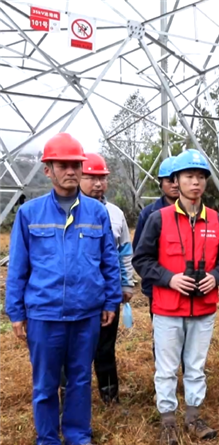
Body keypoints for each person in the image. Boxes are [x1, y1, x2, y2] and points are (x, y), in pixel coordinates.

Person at [5, 132, 122, 445]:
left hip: (86, 314)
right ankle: (47, 438)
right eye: (63, 165)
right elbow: (18, 267)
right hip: (44, 314)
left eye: (76, 165)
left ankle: (78, 435)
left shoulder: (97, 213)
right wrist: (15, 312)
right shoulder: (29, 214)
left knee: (80, 380)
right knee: (45, 383)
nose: (71, 170)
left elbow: (109, 261)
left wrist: (111, 301)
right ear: (48, 170)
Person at [132, 149, 219, 444]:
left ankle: (193, 417)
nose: (196, 182)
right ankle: (168, 421)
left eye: (201, 177)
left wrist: (216, 277)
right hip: (167, 308)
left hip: (203, 309)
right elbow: (141, 259)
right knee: (166, 369)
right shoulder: (158, 218)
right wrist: (170, 278)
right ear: (176, 181)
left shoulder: (216, 220)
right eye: (189, 176)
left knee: (196, 367)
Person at [73, 152, 135, 405]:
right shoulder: (69, 210)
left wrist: (126, 284)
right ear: (79, 177)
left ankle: (110, 398)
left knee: (105, 347)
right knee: (73, 350)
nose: (98, 184)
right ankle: (71, 399)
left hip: (107, 293)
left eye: (102, 178)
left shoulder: (115, 213)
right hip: (76, 294)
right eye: (91, 178)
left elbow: (124, 251)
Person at [133, 156, 180, 320]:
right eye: (169, 180)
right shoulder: (149, 214)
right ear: (161, 183)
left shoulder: (198, 213)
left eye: (178, 179)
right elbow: (139, 253)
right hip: (157, 286)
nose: (175, 185)